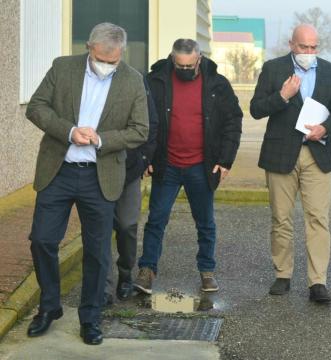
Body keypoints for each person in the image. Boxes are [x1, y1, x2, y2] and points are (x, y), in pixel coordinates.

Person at [25, 22, 149, 345]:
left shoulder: (133, 81)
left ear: (121, 54)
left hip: (101, 176)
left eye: (114, 60)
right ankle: (50, 306)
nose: (107, 65)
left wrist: (100, 139)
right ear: (89, 48)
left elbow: (140, 130)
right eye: (102, 58)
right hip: (59, 171)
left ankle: (91, 317)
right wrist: (69, 131)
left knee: (96, 253)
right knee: (41, 240)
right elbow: (37, 107)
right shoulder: (62, 68)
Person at [133, 39, 243, 295]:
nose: (184, 70)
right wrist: (145, 157)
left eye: (189, 65)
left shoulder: (217, 84)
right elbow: (141, 120)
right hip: (166, 164)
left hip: (201, 167)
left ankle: (207, 271)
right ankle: (147, 271)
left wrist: (225, 160)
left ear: (199, 59)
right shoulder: (155, 81)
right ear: (173, 59)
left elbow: (233, 121)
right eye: (179, 65)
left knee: (205, 223)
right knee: (156, 220)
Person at [250, 24, 331, 303]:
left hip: (317, 153)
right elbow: (256, 109)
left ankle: (318, 281)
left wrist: (325, 128)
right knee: (281, 218)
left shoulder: (330, 70)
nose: (309, 52)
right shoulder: (273, 68)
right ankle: (283, 274)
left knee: (318, 219)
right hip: (281, 155)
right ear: (292, 44)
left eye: (314, 47)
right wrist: (283, 96)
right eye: (304, 47)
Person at [103, 78, 158, 306]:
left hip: (129, 168)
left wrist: (144, 158)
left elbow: (151, 123)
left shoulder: (135, 82)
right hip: (96, 169)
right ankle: (103, 287)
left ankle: (125, 272)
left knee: (127, 225)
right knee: (101, 228)